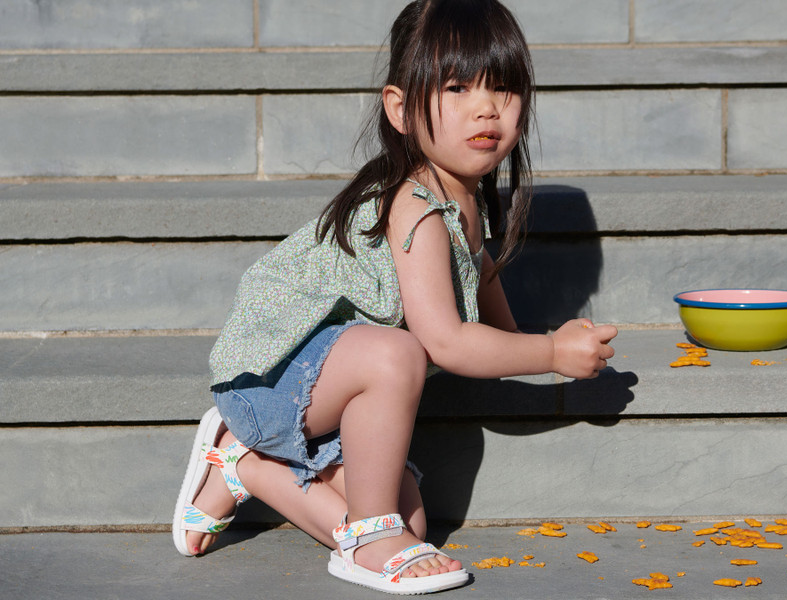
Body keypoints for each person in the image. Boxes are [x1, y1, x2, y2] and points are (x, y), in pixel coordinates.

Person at [171, 0, 618, 594]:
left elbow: (479, 275)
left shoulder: (466, 199)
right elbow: (447, 341)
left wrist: (518, 343)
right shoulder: (413, 205)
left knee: (411, 523)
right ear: (401, 109)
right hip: (272, 382)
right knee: (399, 354)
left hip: (332, 397)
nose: (485, 107)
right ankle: (354, 525)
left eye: (504, 88)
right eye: (457, 87)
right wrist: (550, 354)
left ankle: (242, 465)